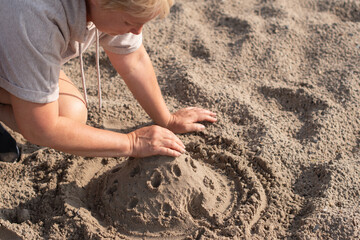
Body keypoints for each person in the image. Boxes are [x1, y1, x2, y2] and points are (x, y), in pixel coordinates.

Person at [0, 0, 217, 162]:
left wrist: (167, 119)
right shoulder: (37, 19)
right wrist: (131, 143)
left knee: (70, 113)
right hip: (18, 30)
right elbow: (40, 128)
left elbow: (133, 60)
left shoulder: (109, 7)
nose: (137, 31)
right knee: (46, 119)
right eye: (130, 22)